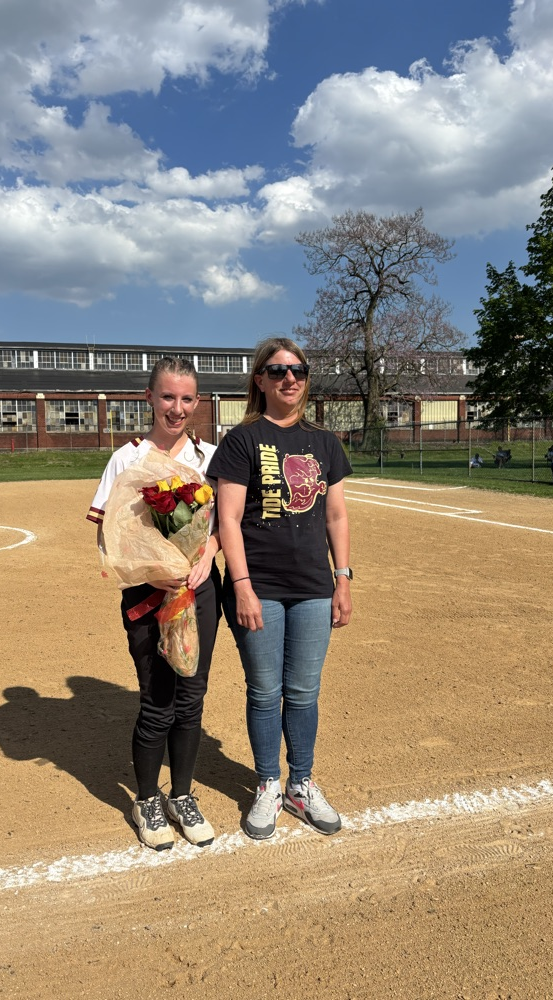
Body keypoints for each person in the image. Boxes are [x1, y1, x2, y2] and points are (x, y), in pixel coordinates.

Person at [208, 337, 352, 841]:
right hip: (260, 585)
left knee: (304, 692)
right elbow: (226, 519)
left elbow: (335, 514)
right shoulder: (242, 440)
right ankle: (268, 783)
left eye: (297, 370)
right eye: (276, 371)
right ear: (259, 380)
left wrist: (344, 578)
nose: (289, 378)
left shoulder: (326, 442)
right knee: (266, 692)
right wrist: (242, 586)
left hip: (314, 586)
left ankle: (301, 784)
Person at [86, 357, 222, 851]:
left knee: (192, 695)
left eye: (187, 399)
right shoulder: (128, 458)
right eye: (168, 397)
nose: (177, 408)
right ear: (149, 398)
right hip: (149, 594)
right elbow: (111, 535)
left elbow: (223, 524)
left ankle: (182, 794)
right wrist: (156, 570)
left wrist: (207, 552)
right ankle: (148, 798)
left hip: (201, 589)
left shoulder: (211, 457)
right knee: (157, 700)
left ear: (198, 402)